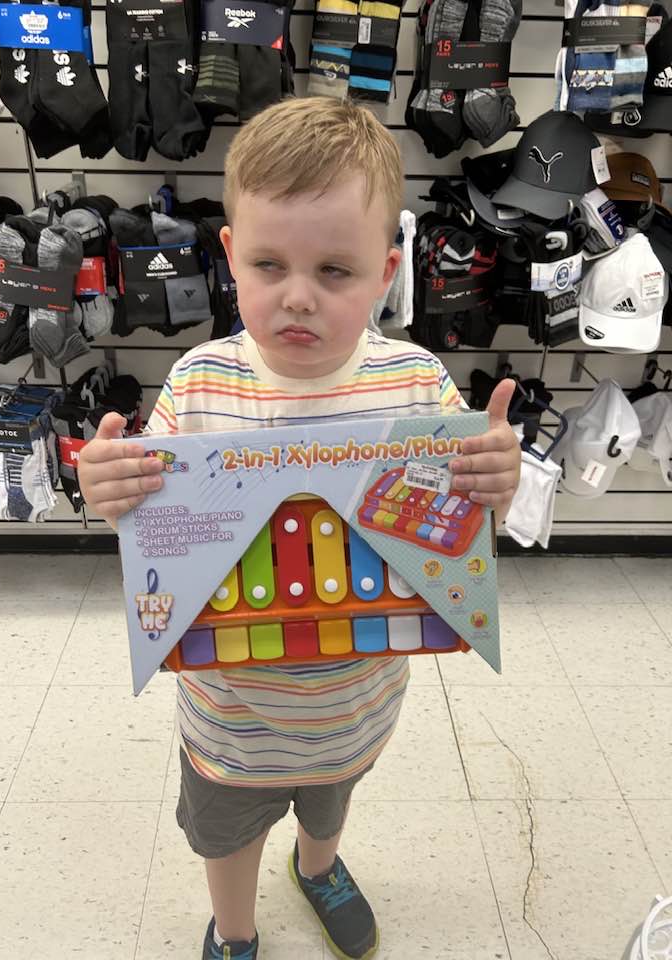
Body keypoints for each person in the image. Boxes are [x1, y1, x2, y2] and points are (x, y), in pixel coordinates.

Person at [78, 97, 521, 960]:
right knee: (228, 836)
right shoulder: (198, 382)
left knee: (332, 801)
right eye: (268, 264)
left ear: (386, 272)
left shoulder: (417, 382)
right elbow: (149, 513)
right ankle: (235, 930)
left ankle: (319, 868)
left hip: (358, 702)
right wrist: (111, 485)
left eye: (335, 271)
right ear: (228, 256)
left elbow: (465, 517)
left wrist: (494, 480)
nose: (298, 297)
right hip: (231, 716)